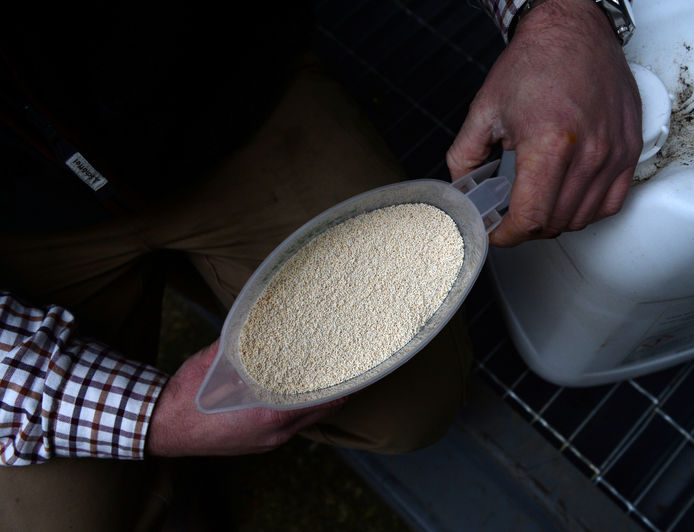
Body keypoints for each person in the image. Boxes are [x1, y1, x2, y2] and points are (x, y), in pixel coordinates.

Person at [0, 0, 641, 529]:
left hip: (223, 101)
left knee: (411, 406)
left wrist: (560, 20)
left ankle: (207, 279)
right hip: (21, 239)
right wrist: (152, 417)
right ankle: (152, 485)